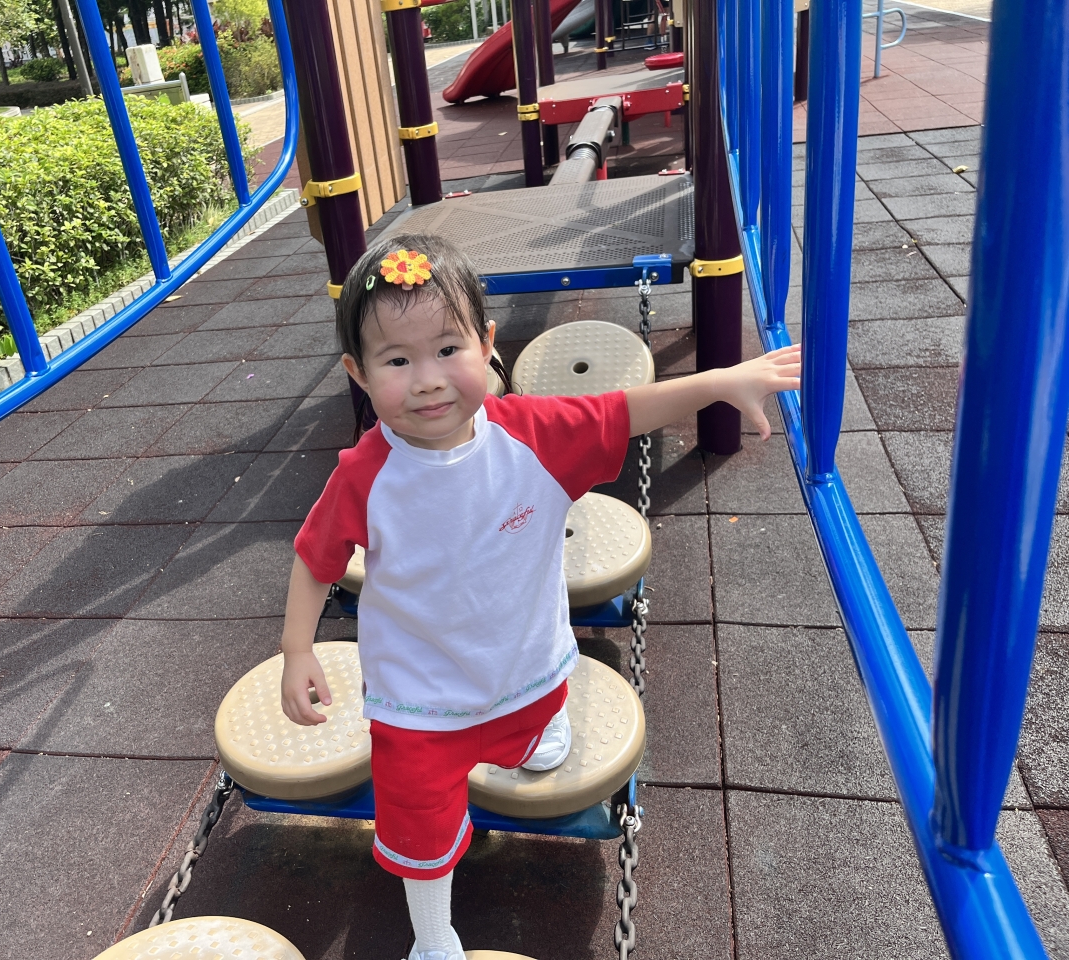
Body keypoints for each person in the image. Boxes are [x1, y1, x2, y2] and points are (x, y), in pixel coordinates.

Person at [279, 235, 800, 960]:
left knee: (533, 725)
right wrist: (297, 648)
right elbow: (316, 556)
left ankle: (532, 734)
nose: (427, 380)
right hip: (417, 698)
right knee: (420, 826)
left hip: (525, 666)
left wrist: (718, 380)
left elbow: (625, 410)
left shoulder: (531, 437)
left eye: (447, 349)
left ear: (487, 346)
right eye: (397, 361)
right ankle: (434, 937)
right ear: (358, 374)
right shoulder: (366, 474)